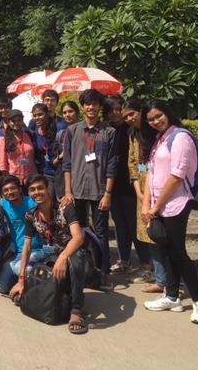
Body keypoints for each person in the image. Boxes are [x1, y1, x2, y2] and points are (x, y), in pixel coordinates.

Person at [140, 100, 198, 323]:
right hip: (160, 206)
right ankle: (172, 297)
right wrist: (146, 205)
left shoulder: (181, 137)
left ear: (168, 113)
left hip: (177, 204)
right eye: (151, 119)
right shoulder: (159, 139)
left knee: (178, 253)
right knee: (168, 249)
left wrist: (155, 207)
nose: (155, 121)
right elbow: (151, 172)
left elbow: (177, 176)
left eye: (158, 116)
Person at [8, 175, 88, 334]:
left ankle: (77, 311)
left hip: (74, 252)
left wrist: (63, 257)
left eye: (40, 188)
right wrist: (21, 281)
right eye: (32, 190)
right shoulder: (31, 215)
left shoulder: (65, 208)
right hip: (52, 253)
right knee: (36, 269)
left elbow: (78, 237)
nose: (36, 192)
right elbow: (27, 247)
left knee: (76, 259)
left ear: (48, 189)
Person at [63, 89, 117, 290]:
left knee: (101, 233)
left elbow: (111, 165)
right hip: (76, 191)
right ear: (83, 106)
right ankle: (81, 270)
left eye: (95, 103)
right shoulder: (72, 131)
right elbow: (67, 164)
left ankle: (104, 272)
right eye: (87, 104)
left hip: (99, 191)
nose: (91, 107)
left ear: (100, 106)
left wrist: (108, 194)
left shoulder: (109, 132)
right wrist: (68, 191)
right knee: (77, 232)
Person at [123, 100, 167, 293]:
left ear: (140, 111)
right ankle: (161, 279)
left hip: (161, 191)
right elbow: (133, 163)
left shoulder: (155, 132)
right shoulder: (133, 134)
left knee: (164, 237)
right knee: (150, 236)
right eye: (125, 117)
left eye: (131, 114)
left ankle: (174, 281)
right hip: (142, 191)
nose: (129, 119)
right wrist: (139, 191)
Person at [104, 95, 151, 277]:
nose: (114, 114)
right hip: (113, 186)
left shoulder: (132, 130)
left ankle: (146, 263)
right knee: (120, 225)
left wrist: (142, 176)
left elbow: (139, 161)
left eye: (118, 110)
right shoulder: (106, 130)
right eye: (110, 111)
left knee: (135, 225)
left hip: (132, 186)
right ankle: (124, 261)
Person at [0, 175, 46, 295]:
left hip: (39, 249)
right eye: (6, 190)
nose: (10, 192)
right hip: (19, 252)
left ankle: (35, 277)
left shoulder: (33, 202)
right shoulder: (3, 204)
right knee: (2, 287)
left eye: (13, 188)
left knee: (21, 269)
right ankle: (29, 275)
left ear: (19, 189)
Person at [0, 109, 42, 186]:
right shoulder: (4, 140)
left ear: (22, 121)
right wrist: (7, 180)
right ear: (9, 122)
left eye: (19, 120)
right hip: (14, 180)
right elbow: (2, 164)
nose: (16, 123)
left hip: (31, 178)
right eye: (13, 121)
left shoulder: (30, 135)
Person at [52, 101, 81, 201]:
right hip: (63, 180)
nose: (67, 115)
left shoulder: (86, 132)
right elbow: (54, 162)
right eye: (64, 112)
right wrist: (62, 155)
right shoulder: (60, 134)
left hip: (81, 179)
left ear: (77, 112)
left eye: (70, 111)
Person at [30, 103, 58, 197]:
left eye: (40, 114)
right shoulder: (36, 132)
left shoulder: (57, 128)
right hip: (46, 172)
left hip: (59, 171)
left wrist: (59, 158)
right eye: (35, 115)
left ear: (47, 114)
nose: (37, 118)